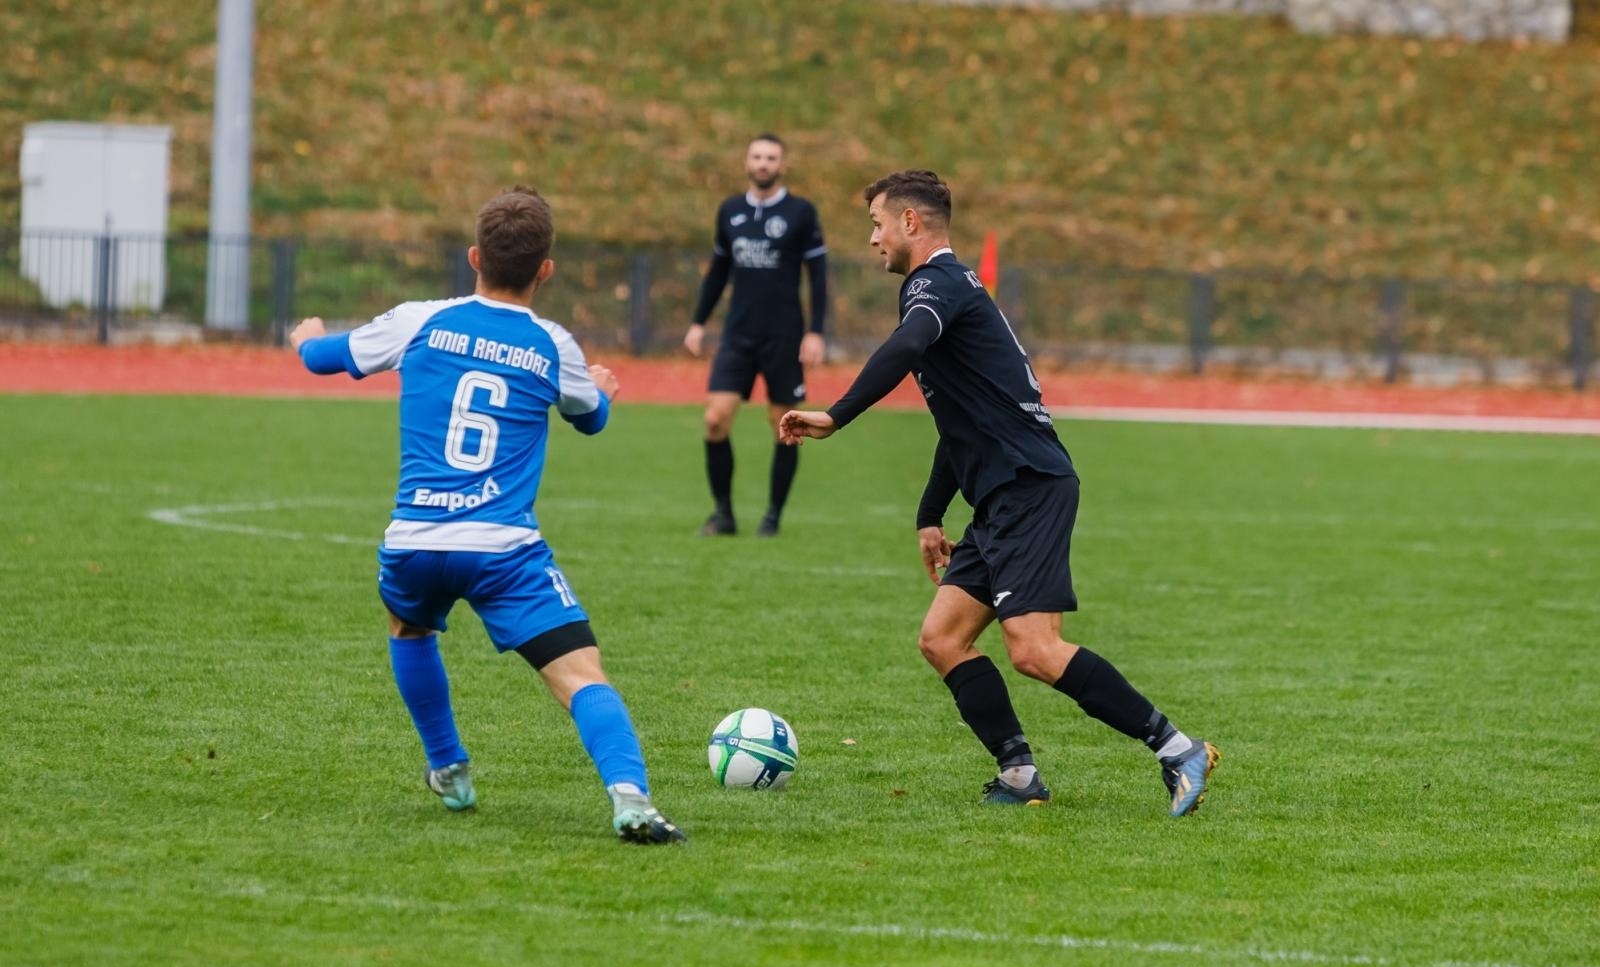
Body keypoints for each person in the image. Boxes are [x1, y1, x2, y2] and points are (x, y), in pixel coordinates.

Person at [779, 170, 1220, 816]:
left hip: (1029, 487)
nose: (871, 239)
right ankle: (1018, 774)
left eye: (876, 223)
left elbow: (905, 346)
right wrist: (931, 514)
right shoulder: (950, 289)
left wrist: (836, 414)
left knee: (1034, 648)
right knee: (942, 637)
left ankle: (1176, 746)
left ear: (910, 222)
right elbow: (960, 425)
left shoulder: (933, 284)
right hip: (1002, 492)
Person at [289, 186, 684, 844]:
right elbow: (591, 421)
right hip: (503, 550)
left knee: (409, 628)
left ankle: (449, 768)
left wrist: (305, 338)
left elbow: (325, 358)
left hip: (415, 540)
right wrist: (605, 391)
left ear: (474, 256)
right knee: (580, 674)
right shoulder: (552, 344)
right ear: (546, 270)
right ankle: (630, 798)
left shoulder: (419, 320)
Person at [684, 133, 829, 537]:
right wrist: (698, 322)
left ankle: (772, 517)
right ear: (747, 162)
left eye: (771, 157)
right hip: (737, 335)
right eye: (757, 156)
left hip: (784, 335)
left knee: (782, 425)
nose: (763, 163)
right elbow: (717, 273)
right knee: (715, 420)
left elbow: (817, 276)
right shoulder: (729, 211)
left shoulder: (801, 212)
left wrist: (815, 330)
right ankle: (723, 515)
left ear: (782, 165)